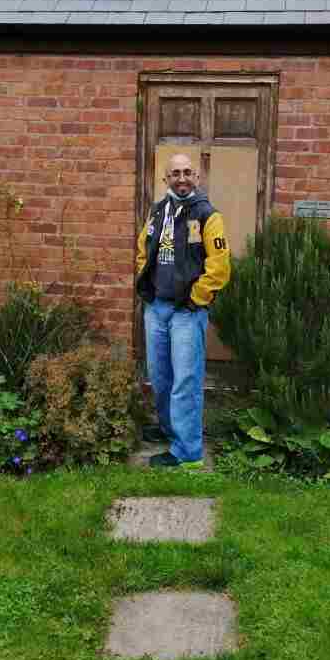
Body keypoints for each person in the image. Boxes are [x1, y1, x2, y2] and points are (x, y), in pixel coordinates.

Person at [135, 153, 231, 468]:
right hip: (157, 308)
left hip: (186, 312)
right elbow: (142, 248)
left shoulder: (207, 216)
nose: (182, 178)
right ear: (166, 179)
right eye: (175, 173)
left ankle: (188, 453)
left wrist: (196, 299)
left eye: (188, 172)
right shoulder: (158, 211)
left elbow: (219, 267)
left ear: (197, 178)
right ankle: (169, 429)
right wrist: (145, 286)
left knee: (185, 380)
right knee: (159, 377)